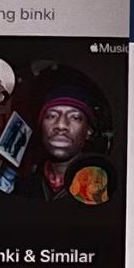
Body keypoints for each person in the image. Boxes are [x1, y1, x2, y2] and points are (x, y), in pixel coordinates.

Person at [13, 62, 114, 205]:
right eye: (51, 116)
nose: (61, 125)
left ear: (88, 131)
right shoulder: (23, 187)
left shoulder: (101, 188)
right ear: (41, 126)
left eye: (75, 117)